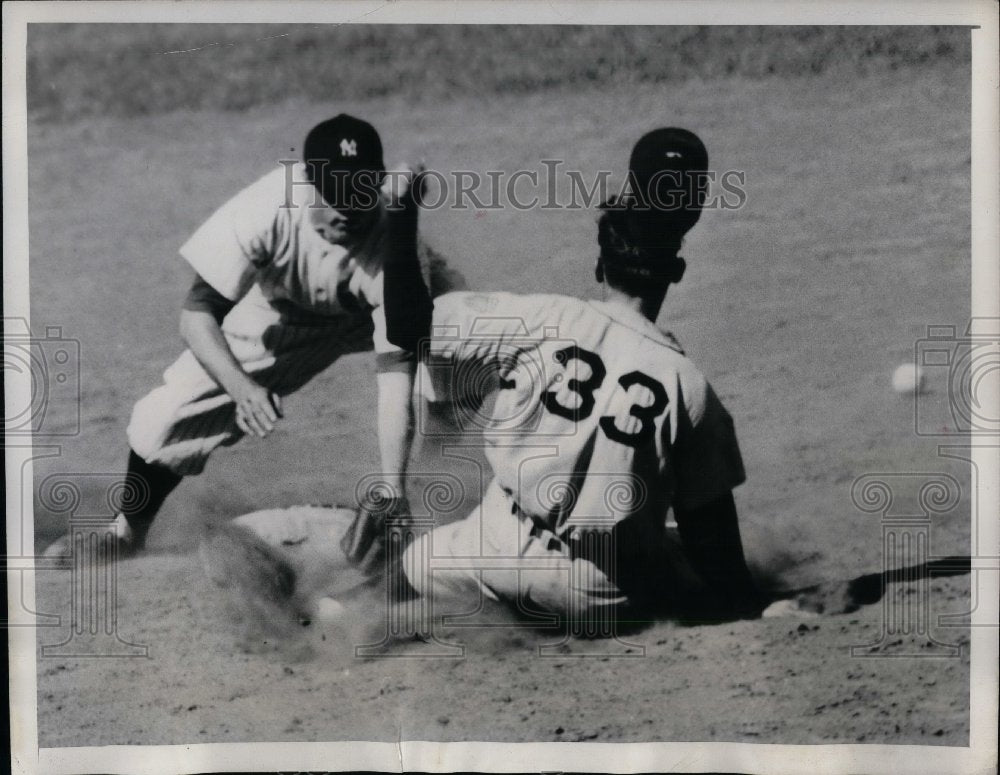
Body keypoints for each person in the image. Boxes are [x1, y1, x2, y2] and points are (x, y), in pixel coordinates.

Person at [342, 127, 765, 626]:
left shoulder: (539, 319)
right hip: (597, 595)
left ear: (598, 265)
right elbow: (717, 550)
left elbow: (407, 326)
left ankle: (335, 618)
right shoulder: (689, 389)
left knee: (403, 573)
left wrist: (401, 218)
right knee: (685, 558)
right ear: (677, 272)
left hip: (492, 551)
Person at [46, 114, 435, 559]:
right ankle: (126, 534)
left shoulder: (397, 245)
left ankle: (447, 523)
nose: (346, 206)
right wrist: (243, 390)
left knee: (458, 350)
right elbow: (196, 316)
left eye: (360, 190)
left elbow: (397, 380)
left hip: (372, 312)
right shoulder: (265, 210)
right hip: (282, 310)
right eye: (335, 191)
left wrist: (392, 487)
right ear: (308, 182)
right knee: (164, 417)